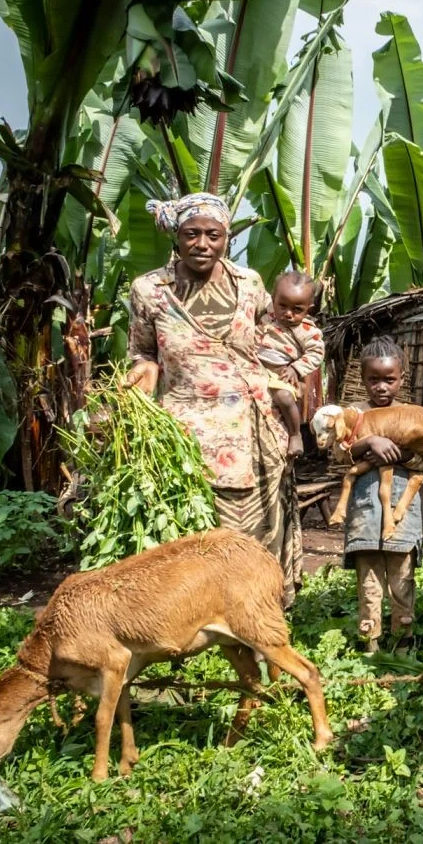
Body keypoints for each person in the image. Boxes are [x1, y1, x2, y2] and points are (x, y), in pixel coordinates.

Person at [124, 192, 302, 607]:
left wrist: (291, 371)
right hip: (185, 432)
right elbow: (143, 353)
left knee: (255, 529)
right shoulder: (150, 290)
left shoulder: (249, 284)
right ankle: (197, 616)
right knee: (193, 532)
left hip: (252, 425)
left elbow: (268, 341)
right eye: (191, 234)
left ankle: (254, 613)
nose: (202, 244)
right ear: (175, 236)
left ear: (226, 238)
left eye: (213, 235)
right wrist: (141, 377)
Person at [341, 335, 423, 654]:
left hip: (403, 512)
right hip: (365, 513)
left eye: (389, 379)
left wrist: (400, 454)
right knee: (369, 582)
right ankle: (370, 643)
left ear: (401, 378)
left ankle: (403, 642)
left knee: (402, 578)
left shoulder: (412, 416)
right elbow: (339, 453)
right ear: (363, 379)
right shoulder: (353, 415)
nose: (381, 387)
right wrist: (369, 443)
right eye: (373, 380)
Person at [257, 270, 324, 458]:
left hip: (280, 374)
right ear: (273, 299)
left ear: (308, 308)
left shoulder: (307, 331)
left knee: (285, 397)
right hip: (254, 366)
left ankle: (295, 435)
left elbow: (316, 352)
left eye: (297, 310)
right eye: (283, 305)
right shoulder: (267, 311)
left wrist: (296, 368)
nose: (288, 314)